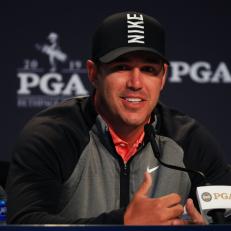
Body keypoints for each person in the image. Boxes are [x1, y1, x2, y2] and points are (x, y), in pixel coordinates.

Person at [6, 11, 231, 225]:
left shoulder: (189, 140)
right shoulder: (53, 135)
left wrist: (210, 228)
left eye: (148, 69)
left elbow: (227, 218)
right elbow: (23, 222)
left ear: (163, 77)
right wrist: (122, 223)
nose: (135, 83)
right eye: (121, 67)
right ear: (94, 73)